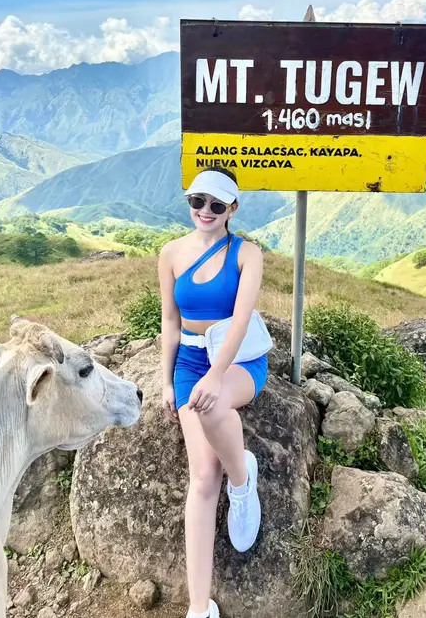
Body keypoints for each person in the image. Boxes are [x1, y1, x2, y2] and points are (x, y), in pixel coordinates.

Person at [158, 167, 268, 618]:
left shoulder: (248, 254)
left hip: (238, 361)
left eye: (217, 205)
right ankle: (198, 607)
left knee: (213, 403)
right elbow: (169, 321)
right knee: (203, 479)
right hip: (187, 361)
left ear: (232, 210)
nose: (205, 211)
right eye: (198, 201)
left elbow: (241, 321)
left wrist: (215, 374)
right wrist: (167, 380)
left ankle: (242, 482)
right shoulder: (170, 253)